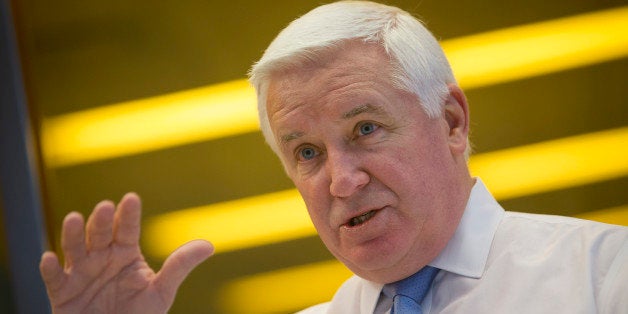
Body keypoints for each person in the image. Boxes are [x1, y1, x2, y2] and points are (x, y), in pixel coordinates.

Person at [40, 1, 628, 313]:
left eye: (365, 128)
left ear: (450, 122)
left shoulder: (603, 277)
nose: (341, 182)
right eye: (306, 152)